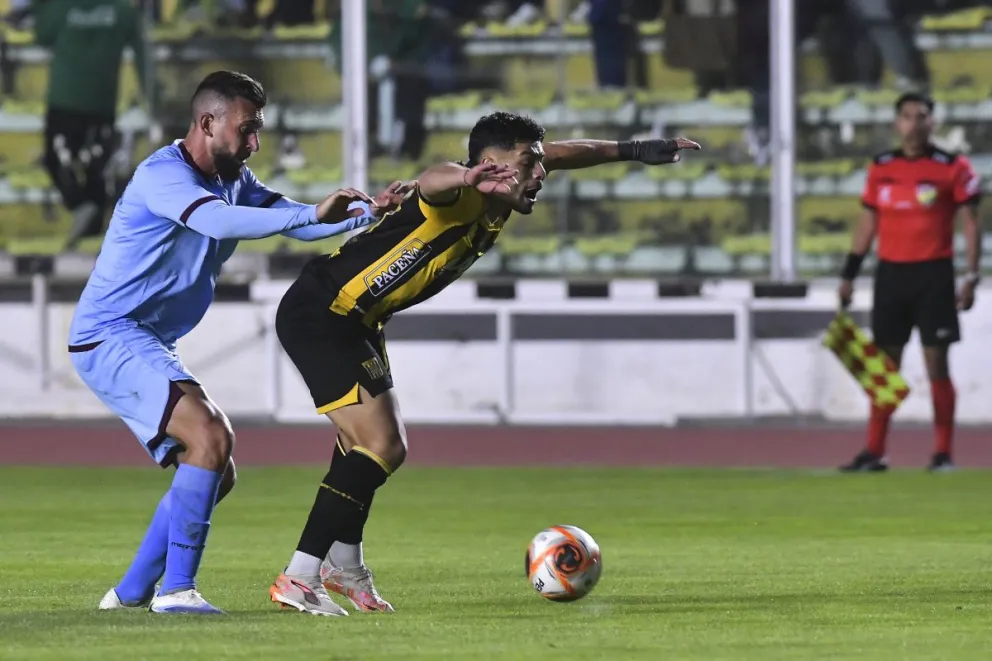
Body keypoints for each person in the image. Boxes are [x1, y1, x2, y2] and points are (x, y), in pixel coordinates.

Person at [267, 111, 700, 616]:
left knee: (366, 446)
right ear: (489, 165)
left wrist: (635, 150)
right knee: (380, 445)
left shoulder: (507, 184)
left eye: (538, 163)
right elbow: (433, 178)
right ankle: (298, 576)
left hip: (360, 320)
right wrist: (464, 174)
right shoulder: (465, 193)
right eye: (530, 163)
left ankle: (344, 566)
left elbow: (563, 153)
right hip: (324, 312)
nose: (541, 174)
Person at [69, 70, 409, 615]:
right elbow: (221, 223)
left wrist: (369, 211)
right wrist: (307, 213)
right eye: (247, 130)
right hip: (110, 333)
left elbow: (289, 220)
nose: (254, 143)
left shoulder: (234, 177)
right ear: (207, 123)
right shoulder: (163, 176)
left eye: (258, 131)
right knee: (208, 435)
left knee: (214, 469)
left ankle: (131, 592)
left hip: (147, 338)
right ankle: (176, 592)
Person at [838, 91, 982, 474]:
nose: (914, 124)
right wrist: (849, 273)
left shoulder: (952, 167)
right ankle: (874, 451)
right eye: (907, 116)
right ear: (896, 123)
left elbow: (971, 222)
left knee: (936, 363)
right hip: (891, 274)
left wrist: (971, 275)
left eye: (922, 116)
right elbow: (867, 223)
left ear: (933, 123)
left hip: (933, 274)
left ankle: (943, 453)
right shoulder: (881, 167)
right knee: (883, 366)